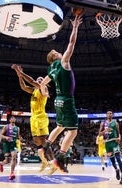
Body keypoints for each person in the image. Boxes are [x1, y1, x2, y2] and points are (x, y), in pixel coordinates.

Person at [39, 14, 83, 173]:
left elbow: (42, 84)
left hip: (57, 101)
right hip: (66, 99)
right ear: (55, 56)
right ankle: (60, 158)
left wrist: (44, 92)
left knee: (59, 126)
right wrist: (76, 26)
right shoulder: (63, 61)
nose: (59, 52)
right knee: (73, 131)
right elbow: (72, 43)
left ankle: (46, 146)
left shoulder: (51, 69)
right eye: (57, 52)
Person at [11, 64, 56, 175]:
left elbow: (31, 81)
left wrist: (20, 72)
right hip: (33, 118)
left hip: (41, 117)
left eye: (41, 79)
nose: (39, 80)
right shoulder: (34, 91)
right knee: (36, 141)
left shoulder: (43, 88)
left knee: (44, 141)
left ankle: (53, 163)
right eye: (38, 79)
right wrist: (19, 76)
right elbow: (24, 87)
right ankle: (44, 162)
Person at [99, 109, 122, 185]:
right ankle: (116, 170)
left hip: (114, 142)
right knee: (113, 161)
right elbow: (99, 134)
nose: (109, 114)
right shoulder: (103, 123)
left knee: (118, 159)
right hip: (107, 143)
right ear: (106, 115)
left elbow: (118, 133)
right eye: (108, 113)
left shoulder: (115, 123)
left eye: (111, 113)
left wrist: (119, 138)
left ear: (112, 115)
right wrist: (105, 131)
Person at [0, 116, 20, 180]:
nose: (13, 119)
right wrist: (6, 137)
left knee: (14, 157)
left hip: (13, 144)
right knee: (7, 160)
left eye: (14, 118)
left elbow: (18, 137)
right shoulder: (6, 126)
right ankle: (1, 163)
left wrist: (21, 140)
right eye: (12, 118)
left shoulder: (18, 128)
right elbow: (1, 135)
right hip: (6, 144)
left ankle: (12, 173)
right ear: (10, 120)